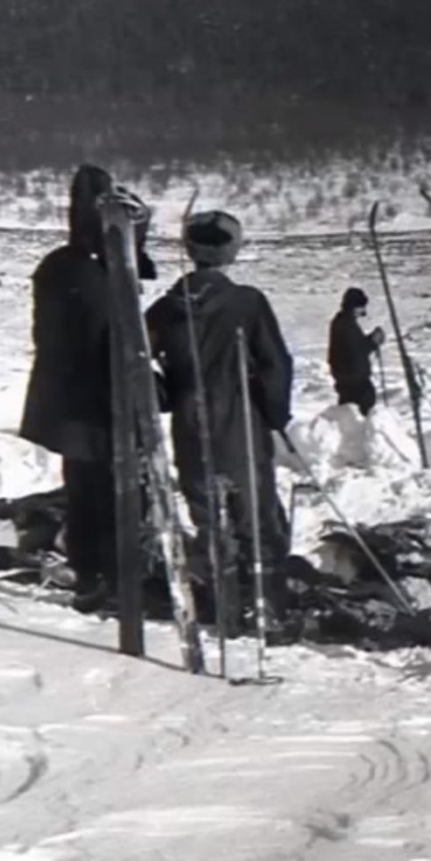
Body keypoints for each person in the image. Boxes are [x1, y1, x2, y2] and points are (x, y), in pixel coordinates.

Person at [146, 210, 294, 636]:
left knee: (210, 519)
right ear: (231, 251)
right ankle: (266, 609)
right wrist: (274, 414)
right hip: (240, 425)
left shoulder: (165, 309)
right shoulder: (248, 302)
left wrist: (169, 393)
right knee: (257, 519)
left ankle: (223, 608)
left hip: (192, 431)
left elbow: (138, 366)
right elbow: (275, 365)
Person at [19, 164, 157, 614]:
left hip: (72, 404)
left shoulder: (65, 266)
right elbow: (113, 342)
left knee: (86, 489)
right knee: (108, 492)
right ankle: (112, 580)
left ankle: (95, 575)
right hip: (96, 403)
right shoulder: (90, 275)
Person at [327, 287, 385, 414]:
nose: (363, 311)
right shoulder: (346, 325)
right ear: (355, 307)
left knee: (349, 411)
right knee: (363, 407)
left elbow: (355, 346)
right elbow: (356, 351)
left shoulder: (341, 322)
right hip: (354, 378)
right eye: (361, 307)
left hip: (345, 376)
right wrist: (373, 342)